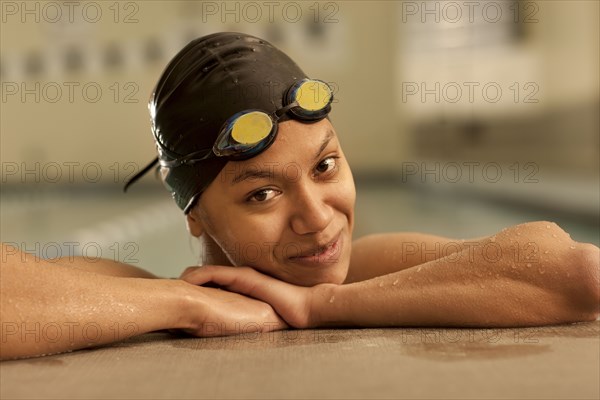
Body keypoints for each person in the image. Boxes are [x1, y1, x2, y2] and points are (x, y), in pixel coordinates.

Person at [1, 32, 598, 361]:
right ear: (194, 211)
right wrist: (185, 306)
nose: (317, 218)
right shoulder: (140, 291)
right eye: (261, 193)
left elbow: (577, 272)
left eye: (326, 166)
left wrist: (321, 308)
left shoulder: (370, 271)